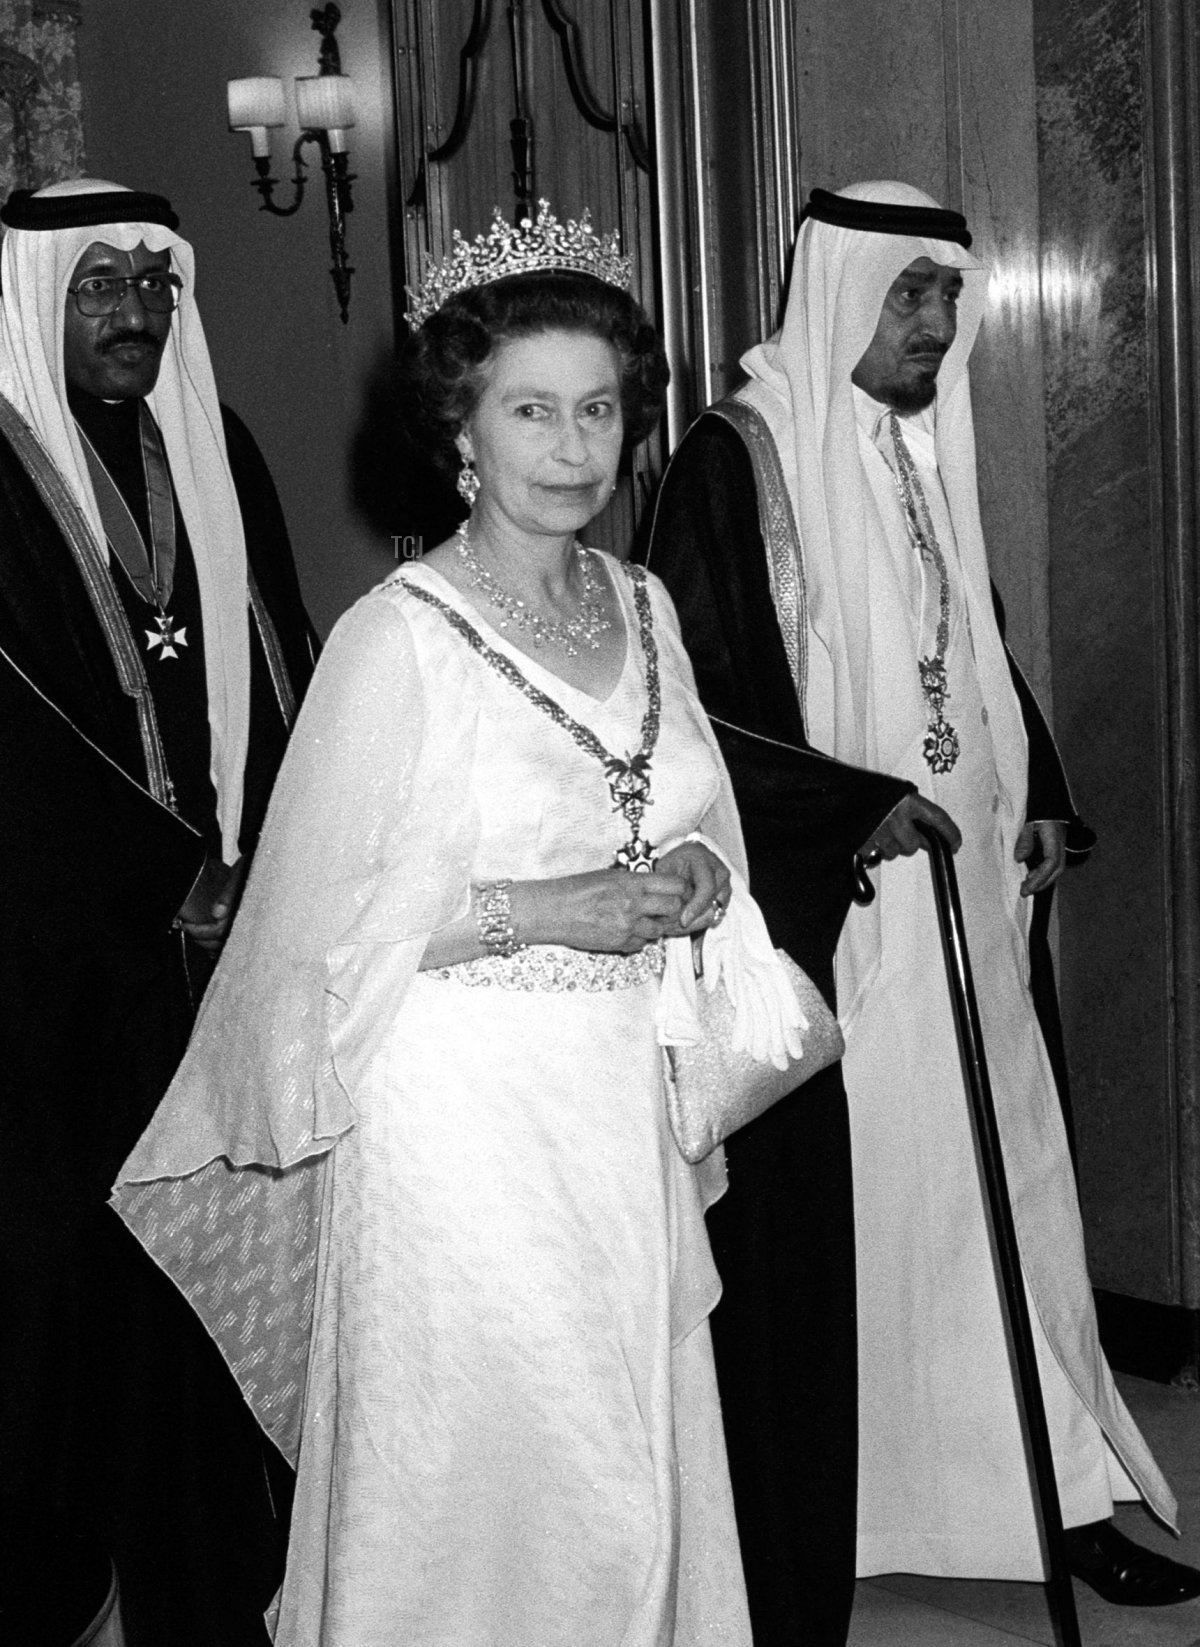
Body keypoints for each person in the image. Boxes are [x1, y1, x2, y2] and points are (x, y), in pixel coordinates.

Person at [109, 202, 798, 1644]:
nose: (573, 446)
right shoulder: (398, 635)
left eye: (599, 409)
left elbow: (704, 822)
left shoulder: (649, 603)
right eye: (531, 409)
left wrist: (698, 885)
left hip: (615, 1098)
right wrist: (542, 907)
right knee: (490, 1453)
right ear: (462, 433)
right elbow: (310, 938)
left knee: (625, 1432)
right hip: (453, 1112)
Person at [644, 179, 1200, 1643]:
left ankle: (1051, 1492)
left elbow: (975, 640)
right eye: (912, 296)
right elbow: (693, 708)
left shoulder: (915, 445)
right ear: (841, 292)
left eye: (952, 297)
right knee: (870, 1225)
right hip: (838, 919)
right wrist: (843, 814)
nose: (938, 327)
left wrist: (1040, 789)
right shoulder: (735, 461)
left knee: (1006, 1195)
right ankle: (871, 1503)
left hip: (962, 898)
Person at [0, 179, 316, 1644]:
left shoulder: (216, 449)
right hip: (45, 974)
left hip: (215, 953)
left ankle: (211, 1583)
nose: (135, 310)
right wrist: (154, 873)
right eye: (100, 285)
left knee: (210, 1274)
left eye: (155, 285)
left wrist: (292, 853)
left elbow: (285, 659)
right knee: (67, 1291)